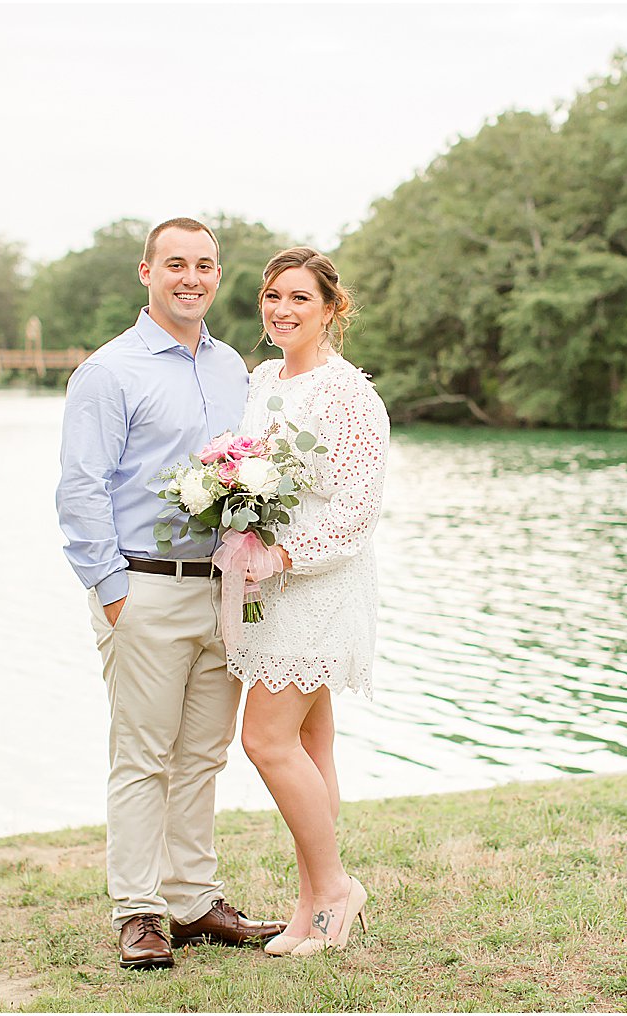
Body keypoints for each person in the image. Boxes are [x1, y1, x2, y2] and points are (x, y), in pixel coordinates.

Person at [56, 217, 285, 970]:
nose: (192, 277)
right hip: (144, 589)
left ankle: (192, 900)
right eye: (176, 264)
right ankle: (139, 911)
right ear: (146, 272)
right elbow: (81, 491)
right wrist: (113, 593)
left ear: (219, 276)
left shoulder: (233, 369)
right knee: (143, 756)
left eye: (206, 265)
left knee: (202, 756)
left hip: (221, 589)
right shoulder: (109, 372)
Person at [227, 247, 390, 956]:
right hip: (266, 587)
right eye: (273, 297)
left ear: (331, 308)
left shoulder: (350, 394)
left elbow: (358, 510)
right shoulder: (262, 378)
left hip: (317, 586)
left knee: (263, 740)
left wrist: (285, 554)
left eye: (300, 298)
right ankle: (308, 907)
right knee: (309, 742)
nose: (283, 310)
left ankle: (335, 891)